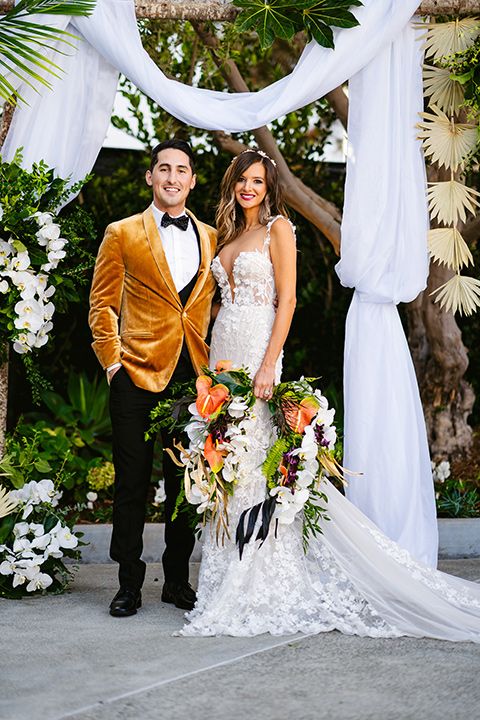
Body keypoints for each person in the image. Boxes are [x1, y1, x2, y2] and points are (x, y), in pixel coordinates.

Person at [179, 148, 480, 642]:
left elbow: (289, 299)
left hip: (257, 354)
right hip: (222, 356)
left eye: (257, 180)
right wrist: (211, 371)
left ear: (268, 186)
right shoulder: (229, 234)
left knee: (257, 464)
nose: (248, 188)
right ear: (232, 185)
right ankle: (224, 578)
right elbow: (218, 307)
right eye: (242, 180)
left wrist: (269, 363)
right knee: (226, 465)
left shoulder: (279, 229)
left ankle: (261, 583)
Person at [89, 139, 217, 617]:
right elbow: (102, 302)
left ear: (192, 180)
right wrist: (112, 363)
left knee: (186, 484)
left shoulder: (209, 235)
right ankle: (128, 584)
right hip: (135, 377)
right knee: (131, 485)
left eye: (181, 170)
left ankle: (177, 580)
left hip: (192, 382)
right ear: (150, 177)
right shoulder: (121, 233)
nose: (172, 177)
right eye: (163, 168)